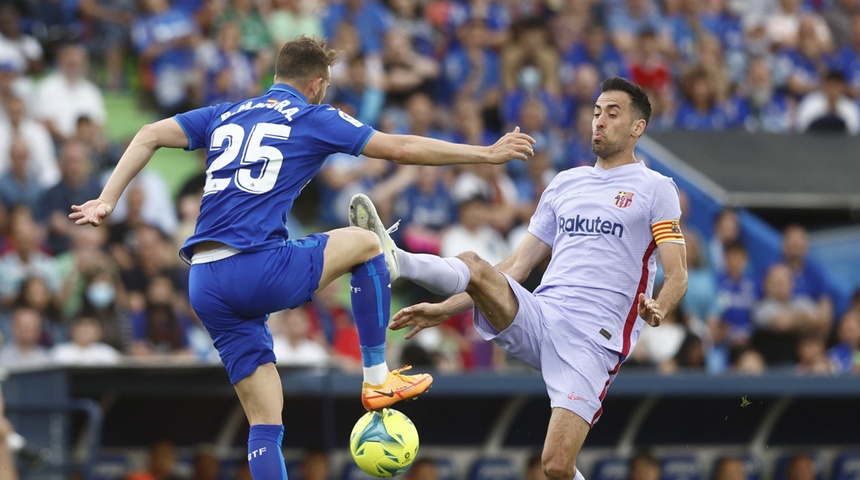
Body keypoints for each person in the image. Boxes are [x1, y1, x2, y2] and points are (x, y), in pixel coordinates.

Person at [69, 35, 535, 480]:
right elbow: (400, 147)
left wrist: (106, 199)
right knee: (368, 242)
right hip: (255, 265)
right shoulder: (312, 116)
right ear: (317, 84)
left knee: (265, 421)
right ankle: (376, 378)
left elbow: (148, 132)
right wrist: (485, 154)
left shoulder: (226, 112)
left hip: (205, 282)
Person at [358, 76, 687, 480]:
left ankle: (399, 260)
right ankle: (399, 261)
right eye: (596, 112)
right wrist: (445, 310)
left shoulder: (656, 189)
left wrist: (661, 306)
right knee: (477, 265)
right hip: (542, 314)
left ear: (638, 127)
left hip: (592, 341)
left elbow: (678, 274)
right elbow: (516, 267)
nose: (599, 121)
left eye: (612, 114)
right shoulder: (565, 183)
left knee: (555, 465)